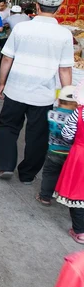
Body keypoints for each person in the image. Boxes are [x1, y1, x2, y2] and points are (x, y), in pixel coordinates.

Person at [0, 0, 74, 184]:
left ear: (37, 7)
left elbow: (7, 58)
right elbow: (65, 70)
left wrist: (2, 82)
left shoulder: (22, 28)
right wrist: (67, 97)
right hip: (43, 95)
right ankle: (27, 174)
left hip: (15, 89)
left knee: (8, 127)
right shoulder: (64, 34)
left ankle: (6, 165)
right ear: (58, 9)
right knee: (37, 135)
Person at [36, 85, 77, 206]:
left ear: (59, 100)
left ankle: (45, 197)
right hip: (70, 153)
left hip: (54, 151)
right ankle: (64, 196)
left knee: (49, 174)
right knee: (67, 175)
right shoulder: (76, 118)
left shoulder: (52, 114)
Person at [55, 83, 84, 244]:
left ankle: (79, 231)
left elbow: (67, 134)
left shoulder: (78, 113)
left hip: (79, 156)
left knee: (78, 193)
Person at [0, 0, 10, 76]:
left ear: (5, 4)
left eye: (2, 6)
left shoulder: (9, 11)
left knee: (5, 54)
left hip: (6, 36)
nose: (0, 8)